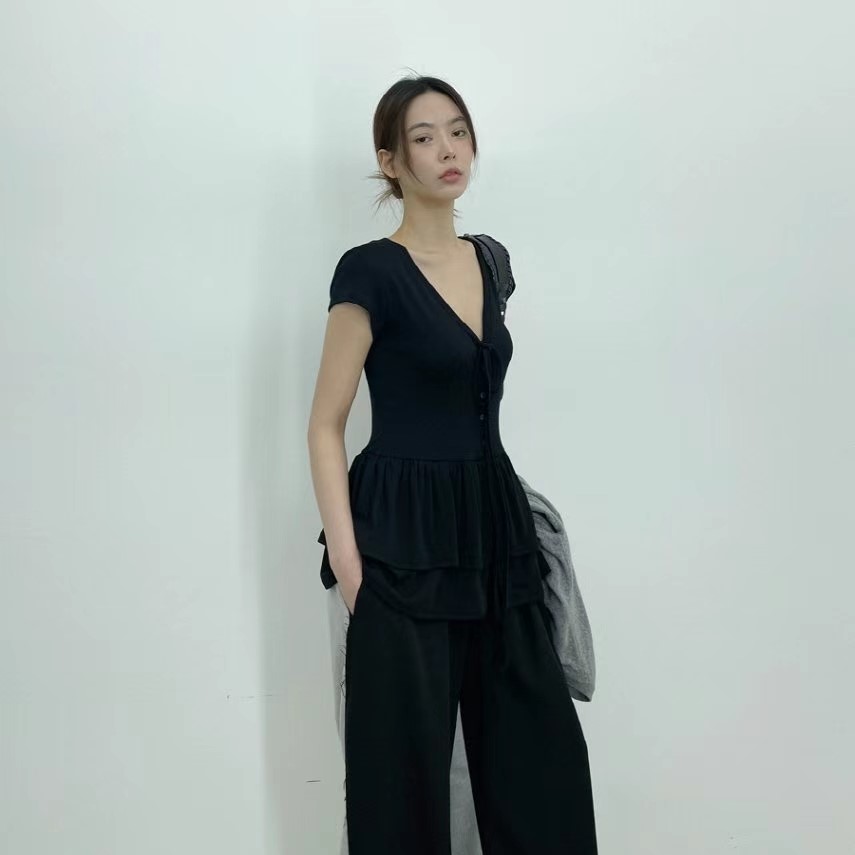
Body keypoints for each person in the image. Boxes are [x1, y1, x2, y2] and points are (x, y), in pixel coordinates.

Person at [307, 73, 598, 855]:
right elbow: (324, 424)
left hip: (493, 528)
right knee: (400, 774)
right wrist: (350, 564)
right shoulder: (368, 270)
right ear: (390, 161)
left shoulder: (491, 262)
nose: (447, 149)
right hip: (398, 536)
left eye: (458, 131)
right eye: (424, 137)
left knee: (538, 761)